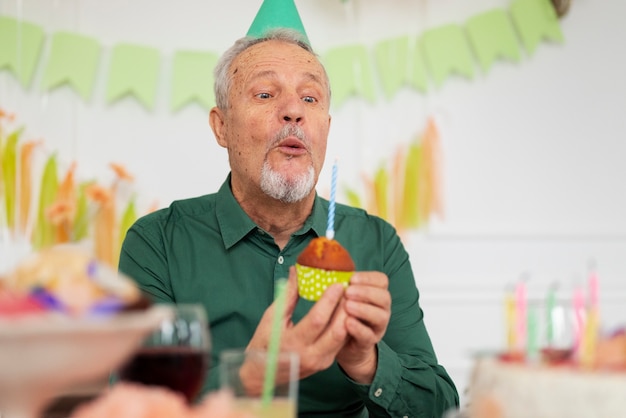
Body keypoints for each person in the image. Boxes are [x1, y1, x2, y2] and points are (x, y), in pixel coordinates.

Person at [119, 28, 459, 417]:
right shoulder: (157, 242)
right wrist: (249, 374)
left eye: (309, 98)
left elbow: (441, 407)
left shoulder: (376, 242)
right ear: (221, 127)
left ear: (325, 129)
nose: (294, 111)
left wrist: (367, 362)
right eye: (265, 94)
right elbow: (130, 404)